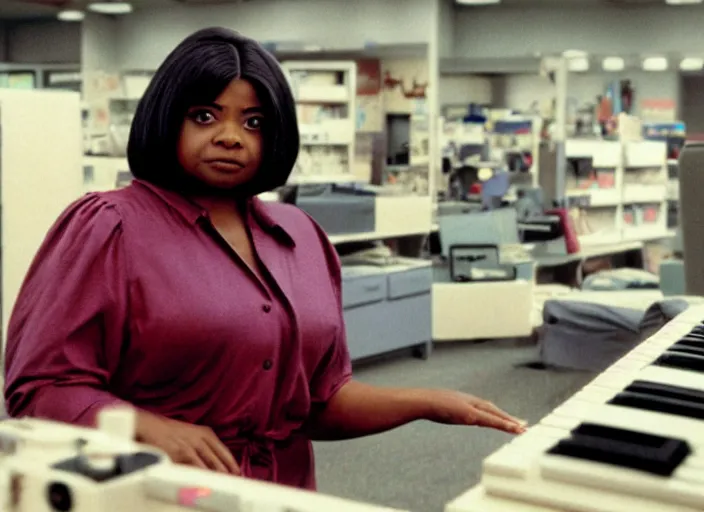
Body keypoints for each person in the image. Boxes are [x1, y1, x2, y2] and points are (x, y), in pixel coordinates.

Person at [3, 27, 526, 491]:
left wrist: (428, 402)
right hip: (155, 490)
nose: (230, 136)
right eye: (205, 115)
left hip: (282, 492)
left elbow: (319, 401)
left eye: (253, 122)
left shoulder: (299, 235)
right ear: (169, 118)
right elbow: (39, 388)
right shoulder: (108, 225)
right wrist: (148, 427)